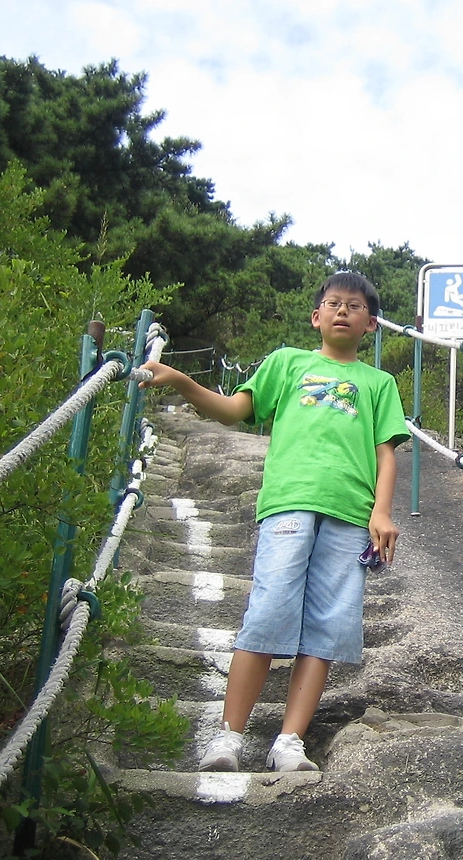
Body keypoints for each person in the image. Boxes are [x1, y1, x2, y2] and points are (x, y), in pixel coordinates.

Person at [141, 272, 409, 773]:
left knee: (325, 627)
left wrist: (381, 510)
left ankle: (289, 741)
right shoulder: (286, 362)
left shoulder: (380, 383)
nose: (343, 311)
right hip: (288, 502)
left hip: (351, 515)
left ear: (371, 324)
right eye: (333, 303)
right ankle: (228, 737)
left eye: (354, 306)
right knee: (267, 612)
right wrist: (181, 380)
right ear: (315, 316)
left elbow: (385, 453)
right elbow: (233, 411)